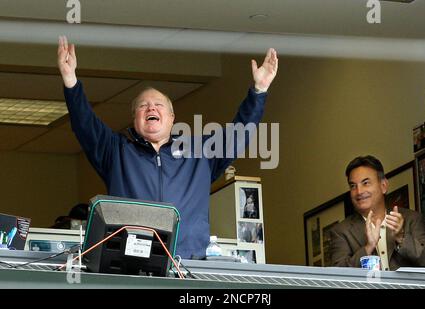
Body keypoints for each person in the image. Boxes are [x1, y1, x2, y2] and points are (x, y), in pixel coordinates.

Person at [57, 36, 278, 259]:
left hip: (188, 266)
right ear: (135, 119)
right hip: (131, 265)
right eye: (143, 106)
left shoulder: (200, 152)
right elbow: (85, 124)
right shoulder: (115, 151)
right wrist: (70, 81)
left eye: (158, 105)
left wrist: (259, 91)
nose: (151, 107)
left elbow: (239, 134)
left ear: (172, 118)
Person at [330, 155, 425, 270]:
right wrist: (368, 248)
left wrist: (402, 238)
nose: (359, 191)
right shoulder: (341, 231)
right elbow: (338, 276)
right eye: (353, 186)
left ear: (383, 186)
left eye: (365, 183)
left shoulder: (411, 219)